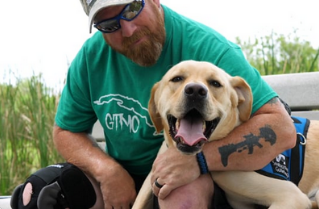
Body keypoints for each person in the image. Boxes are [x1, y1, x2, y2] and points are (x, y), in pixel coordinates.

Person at [53, 0, 296, 208]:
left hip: (199, 181)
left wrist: (198, 160)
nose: (127, 30)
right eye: (109, 25)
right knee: (44, 193)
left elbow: (281, 128)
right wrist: (107, 170)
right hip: (125, 181)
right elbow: (65, 131)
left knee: (177, 193)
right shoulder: (91, 57)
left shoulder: (207, 47)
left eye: (132, 9)